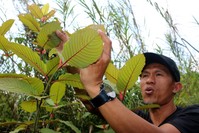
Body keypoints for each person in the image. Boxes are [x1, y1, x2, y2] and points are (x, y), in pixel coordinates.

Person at [55, 30, 199, 133]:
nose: (149, 80)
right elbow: (94, 105)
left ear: (176, 87)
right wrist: (71, 62)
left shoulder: (193, 115)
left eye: (159, 74)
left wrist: (95, 85)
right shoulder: (138, 117)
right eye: (144, 75)